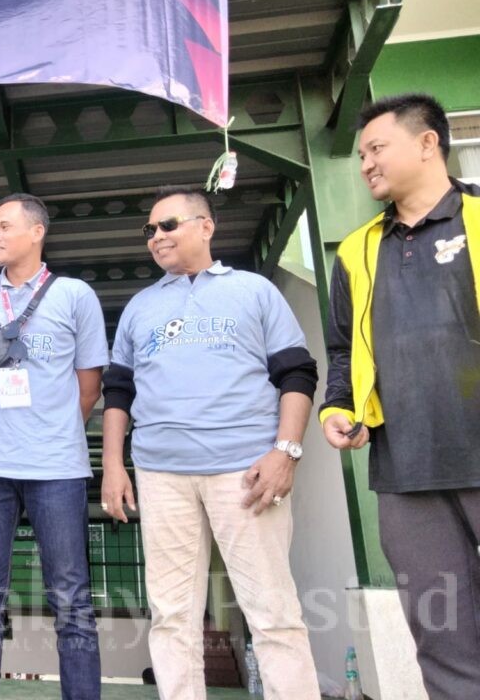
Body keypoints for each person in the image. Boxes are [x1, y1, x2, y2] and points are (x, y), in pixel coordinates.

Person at [102, 187, 320, 699]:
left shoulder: (254, 291)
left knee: (272, 612)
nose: (156, 237)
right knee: (171, 614)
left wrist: (286, 451)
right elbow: (118, 391)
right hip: (160, 474)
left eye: (168, 225)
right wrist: (114, 465)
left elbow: (297, 373)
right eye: (149, 230)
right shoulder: (138, 308)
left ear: (206, 226)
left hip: (245, 472)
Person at [320, 93, 480, 698]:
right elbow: (343, 349)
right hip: (406, 467)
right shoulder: (356, 250)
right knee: (442, 633)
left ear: (427, 142)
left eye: (376, 148)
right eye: (361, 155)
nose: (365, 164)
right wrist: (338, 407)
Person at [0, 193, 106, 700]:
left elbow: (89, 385)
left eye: (4, 226)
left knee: (71, 598)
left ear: (37, 232)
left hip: (57, 467)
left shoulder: (76, 295)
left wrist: (50, 430)